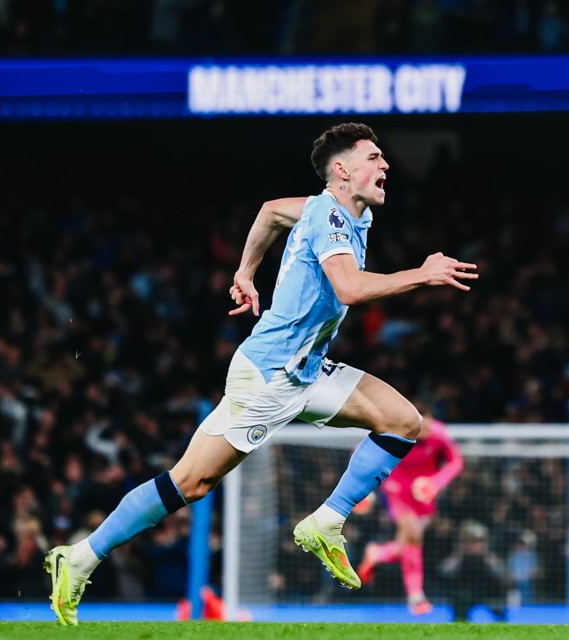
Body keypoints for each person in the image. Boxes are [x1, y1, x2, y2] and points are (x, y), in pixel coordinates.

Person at [42, 122, 479, 625]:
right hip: (270, 376)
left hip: (308, 370)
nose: (385, 164)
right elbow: (350, 289)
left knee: (403, 421)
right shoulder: (330, 218)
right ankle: (80, 558)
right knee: (191, 482)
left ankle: (326, 522)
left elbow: (271, 211)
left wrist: (245, 272)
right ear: (342, 171)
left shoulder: (335, 210)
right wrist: (422, 274)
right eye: (373, 157)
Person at [356, 409, 463, 615]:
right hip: (397, 491)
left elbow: (456, 461)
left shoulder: (439, 434)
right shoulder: (394, 430)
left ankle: (377, 553)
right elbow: (361, 451)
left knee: (405, 545)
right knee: (414, 536)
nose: (426, 431)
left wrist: (436, 482)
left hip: (424, 495)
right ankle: (416, 596)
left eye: (428, 426)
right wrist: (364, 490)